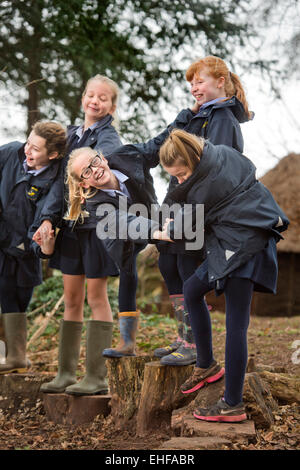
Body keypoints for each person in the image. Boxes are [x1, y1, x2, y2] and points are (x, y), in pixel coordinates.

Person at [152, 128, 289, 422]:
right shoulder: (220, 154)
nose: (178, 181)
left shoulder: (206, 185)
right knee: (191, 290)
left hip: (245, 247)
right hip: (243, 237)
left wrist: (162, 231)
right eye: (174, 176)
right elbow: (190, 203)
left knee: (236, 324)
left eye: (181, 174)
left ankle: (232, 404)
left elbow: (187, 227)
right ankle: (206, 365)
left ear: (195, 157)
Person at [133, 55, 253, 366]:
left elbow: (217, 173)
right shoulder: (197, 116)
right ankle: (182, 336)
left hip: (195, 207)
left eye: (199, 81)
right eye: (190, 84)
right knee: (169, 266)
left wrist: (188, 212)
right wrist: (186, 116)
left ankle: (195, 344)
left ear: (220, 82)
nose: (194, 88)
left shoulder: (223, 121)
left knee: (186, 269)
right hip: (176, 200)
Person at [38, 75, 138, 396]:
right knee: (70, 299)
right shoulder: (68, 135)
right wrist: (48, 219)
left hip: (97, 227)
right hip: (70, 228)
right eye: (90, 95)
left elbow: (103, 177)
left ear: (111, 105)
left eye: (103, 98)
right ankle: (66, 373)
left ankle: (96, 376)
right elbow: (57, 184)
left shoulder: (109, 140)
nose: (95, 101)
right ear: (83, 98)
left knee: (96, 297)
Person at [39, 145, 159, 365]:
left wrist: (190, 115)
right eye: (86, 171)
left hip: (154, 217)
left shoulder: (126, 158)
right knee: (127, 274)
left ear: (102, 157)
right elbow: (123, 223)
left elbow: (159, 144)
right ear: (84, 183)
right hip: (127, 234)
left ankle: (186, 339)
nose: (94, 170)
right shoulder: (94, 202)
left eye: (94, 162)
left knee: (173, 264)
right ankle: (127, 342)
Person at [0, 120, 67, 374]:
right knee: (5, 289)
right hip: (2, 239)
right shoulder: (11, 152)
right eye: (28, 142)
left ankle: (17, 354)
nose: (27, 150)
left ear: (53, 155)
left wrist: (40, 246)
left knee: (21, 295)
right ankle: (13, 356)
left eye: (36, 149)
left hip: (27, 247)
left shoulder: (54, 180)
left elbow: (46, 215)